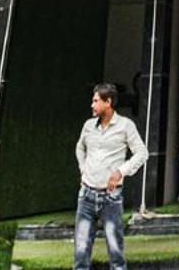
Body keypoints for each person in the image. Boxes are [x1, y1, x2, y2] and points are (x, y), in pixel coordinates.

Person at [74, 82, 146, 270]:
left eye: (96, 101)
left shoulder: (125, 126)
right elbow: (80, 148)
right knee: (81, 252)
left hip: (111, 197)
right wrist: (83, 169)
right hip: (86, 195)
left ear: (108, 102)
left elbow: (142, 153)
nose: (92, 105)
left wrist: (121, 171)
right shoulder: (88, 126)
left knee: (115, 252)